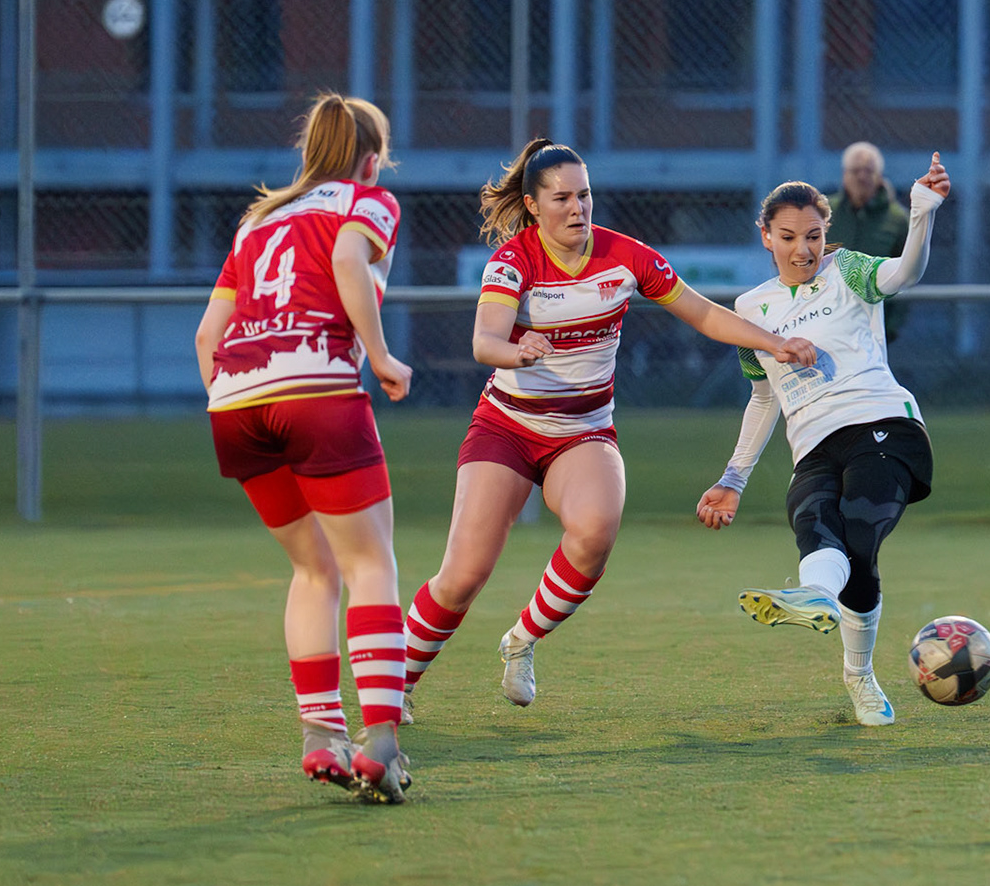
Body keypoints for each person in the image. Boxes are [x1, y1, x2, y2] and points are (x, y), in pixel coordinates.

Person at [398, 138, 817, 716]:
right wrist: (515, 353)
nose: (578, 208)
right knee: (463, 576)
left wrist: (776, 343)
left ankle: (521, 640)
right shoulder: (514, 260)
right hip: (508, 427)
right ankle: (397, 683)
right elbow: (483, 339)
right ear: (533, 204)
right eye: (562, 198)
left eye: (585, 195)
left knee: (595, 532)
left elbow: (702, 313)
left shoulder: (626, 256)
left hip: (583, 430)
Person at [192, 93, 416, 804]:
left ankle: (322, 737)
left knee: (314, 570)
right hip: (316, 392)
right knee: (369, 564)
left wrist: (232, 397)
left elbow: (206, 336)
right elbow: (349, 261)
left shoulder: (256, 220)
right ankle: (380, 743)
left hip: (233, 404)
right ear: (371, 160)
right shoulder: (368, 201)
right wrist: (381, 357)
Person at [694, 153, 952, 726]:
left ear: (826, 233)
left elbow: (904, 273)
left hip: (882, 425)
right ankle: (821, 607)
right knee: (814, 523)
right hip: (813, 446)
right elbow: (764, 399)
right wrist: (732, 479)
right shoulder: (750, 310)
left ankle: (851, 666)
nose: (804, 249)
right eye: (788, 237)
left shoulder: (850, 271)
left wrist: (922, 213)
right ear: (766, 236)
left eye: (813, 235)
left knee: (859, 532)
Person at [825, 141, 911, 342]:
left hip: (876, 323)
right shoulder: (823, 212)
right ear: (845, 175)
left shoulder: (898, 219)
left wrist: (891, 327)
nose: (861, 177)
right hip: (828, 318)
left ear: (879, 176)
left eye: (868, 171)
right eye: (855, 171)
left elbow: (908, 273)